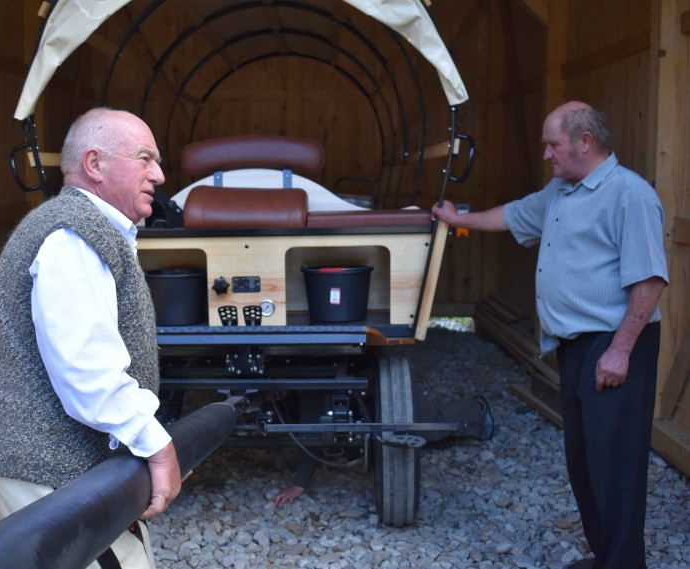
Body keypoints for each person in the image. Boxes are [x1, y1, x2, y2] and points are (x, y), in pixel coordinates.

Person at [431, 101, 668, 569]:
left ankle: (624, 564)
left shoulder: (629, 195)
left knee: (615, 464)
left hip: (614, 344)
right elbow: (514, 215)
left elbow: (650, 281)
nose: (546, 154)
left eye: (553, 144)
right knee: (583, 462)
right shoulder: (561, 192)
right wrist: (459, 220)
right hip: (574, 345)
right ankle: (606, 557)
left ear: (586, 141)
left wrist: (620, 351)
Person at [0, 108, 180, 569]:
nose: (159, 175)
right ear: (95, 164)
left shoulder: (88, 229)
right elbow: (88, 371)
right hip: (49, 468)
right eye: (145, 159)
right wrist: (158, 446)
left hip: (65, 465)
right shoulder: (71, 237)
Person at [272, 392, 494, 507]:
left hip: (375, 376)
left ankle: (477, 411)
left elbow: (312, 423)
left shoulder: (311, 385)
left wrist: (299, 484)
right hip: (357, 393)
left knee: (426, 424)